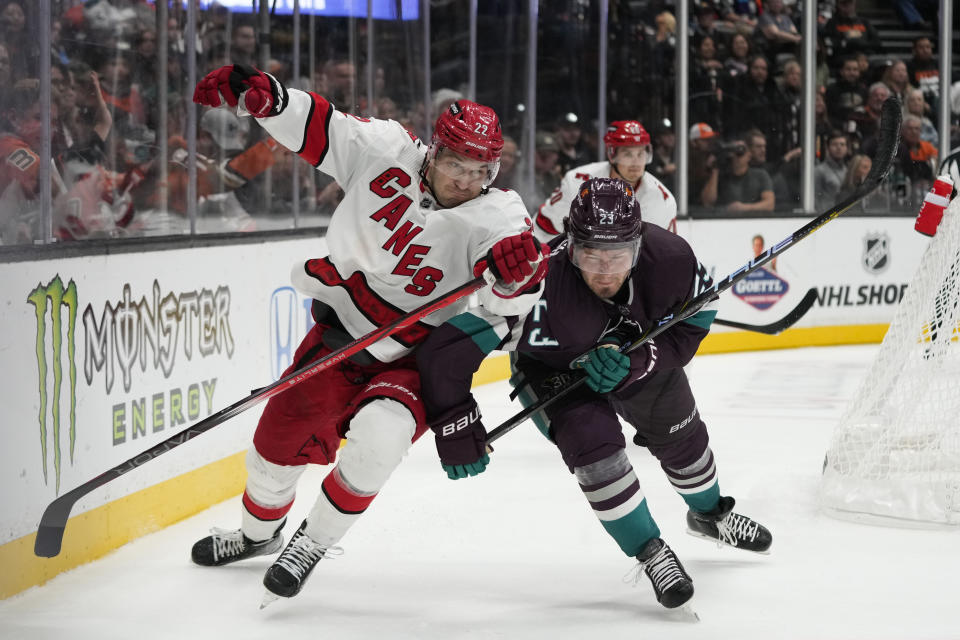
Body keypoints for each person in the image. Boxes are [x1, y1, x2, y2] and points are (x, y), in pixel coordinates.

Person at [188, 62, 550, 604]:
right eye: (456, 165)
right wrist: (268, 101)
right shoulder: (385, 149)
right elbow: (323, 127)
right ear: (433, 150)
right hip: (341, 340)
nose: (466, 181)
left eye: (481, 170)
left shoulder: (499, 214)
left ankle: (312, 543)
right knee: (271, 452)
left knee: (379, 440)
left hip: (415, 357)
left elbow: (507, 298)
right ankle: (257, 536)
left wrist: (519, 273)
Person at [416, 177, 772, 611]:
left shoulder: (673, 259)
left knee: (684, 440)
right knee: (597, 452)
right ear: (570, 244)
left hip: (639, 356)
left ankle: (711, 515)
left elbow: (699, 320)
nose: (605, 270)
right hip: (553, 371)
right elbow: (446, 352)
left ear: (638, 246)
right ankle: (651, 552)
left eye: (618, 256)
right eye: (591, 255)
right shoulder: (537, 283)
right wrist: (455, 425)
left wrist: (641, 358)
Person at [534, 120, 677, 240]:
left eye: (641, 154)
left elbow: (664, 253)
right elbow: (545, 225)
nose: (636, 163)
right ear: (611, 154)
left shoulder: (661, 199)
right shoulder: (578, 182)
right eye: (628, 154)